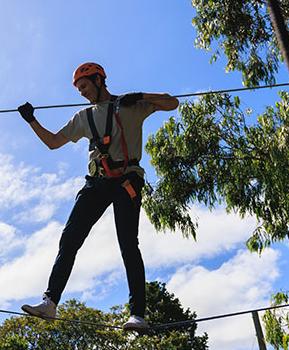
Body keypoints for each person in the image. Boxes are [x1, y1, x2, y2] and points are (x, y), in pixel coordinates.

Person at [17, 62, 179, 330]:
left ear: (99, 80)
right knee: (69, 238)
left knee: (128, 243)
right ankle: (50, 303)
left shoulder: (129, 106)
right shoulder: (83, 117)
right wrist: (31, 120)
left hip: (127, 179)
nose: (81, 92)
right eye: (78, 88)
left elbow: (171, 103)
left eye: (84, 86)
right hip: (97, 182)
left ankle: (138, 314)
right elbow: (53, 142)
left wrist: (140, 96)